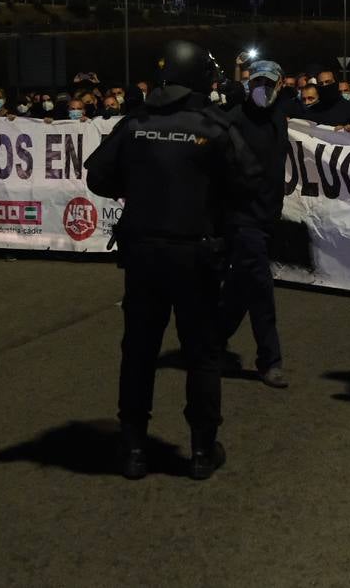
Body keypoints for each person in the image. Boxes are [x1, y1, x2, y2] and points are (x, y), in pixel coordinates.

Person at [85, 40, 258, 480]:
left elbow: (98, 175)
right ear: (200, 76)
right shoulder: (213, 126)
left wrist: (142, 188)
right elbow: (247, 182)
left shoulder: (135, 122)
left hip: (142, 254)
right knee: (201, 352)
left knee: (139, 350)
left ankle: (134, 450)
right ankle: (201, 451)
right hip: (195, 256)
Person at [219, 59, 291, 389]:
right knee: (260, 288)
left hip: (267, 217)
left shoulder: (278, 116)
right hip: (243, 219)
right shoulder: (232, 120)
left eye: (269, 83)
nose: (263, 89)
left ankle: (210, 340)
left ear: (280, 85)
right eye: (257, 82)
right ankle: (269, 360)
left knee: (240, 287)